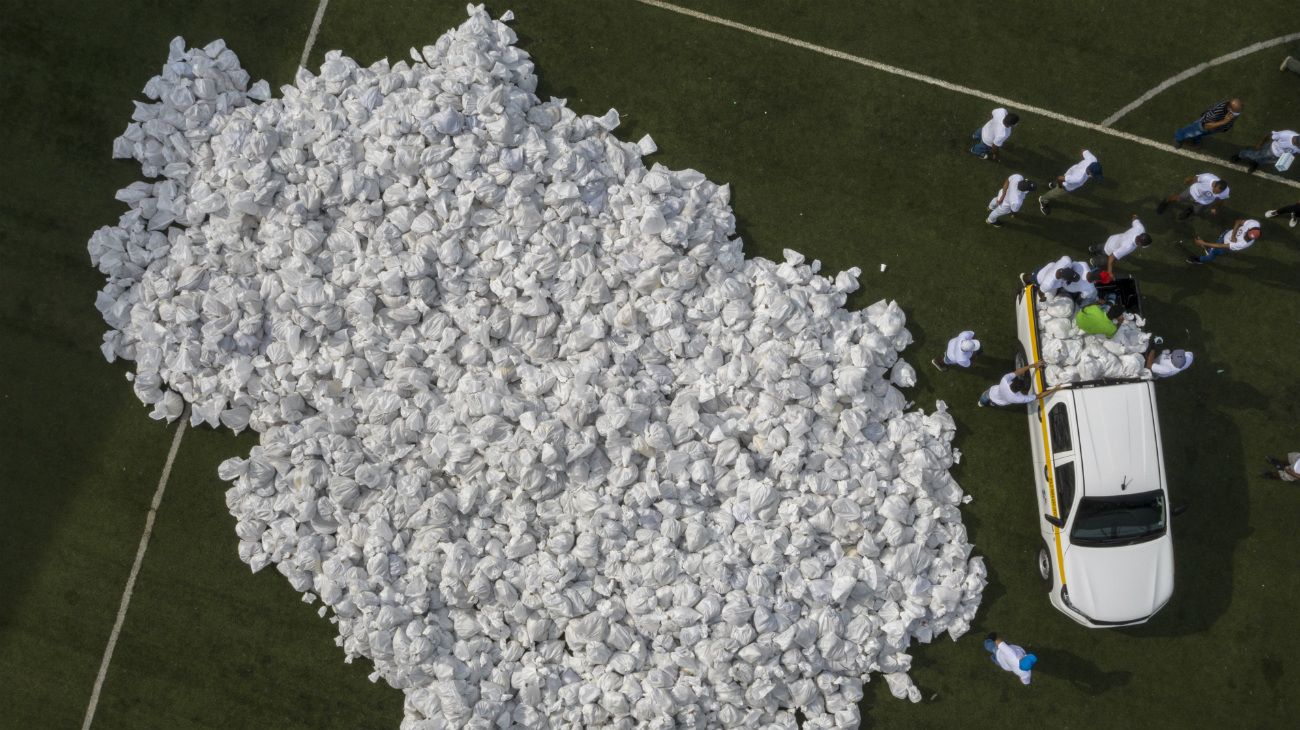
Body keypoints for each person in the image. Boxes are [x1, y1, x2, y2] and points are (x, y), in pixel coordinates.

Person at [1038, 149, 1102, 215]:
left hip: (1070, 172)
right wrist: (1060, 186)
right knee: (1054, 193)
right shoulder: (1078, 178)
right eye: (1094, 175)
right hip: (1065, 186)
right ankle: (1043, 200)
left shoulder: (1093, 160)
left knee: (1064, 178)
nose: (1094, 177)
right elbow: (1060, 178)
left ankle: (1053, 185)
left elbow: (1083, 151)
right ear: (1089, 172)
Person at [978, 362, 1061, 408]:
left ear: (1012, 383)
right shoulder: (1017, 398)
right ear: (1019, 390)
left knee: (983, 400)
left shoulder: (1005, 380)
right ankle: (990, 403)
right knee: (993, 402)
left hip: (991, 392)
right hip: (999, 402)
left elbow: (1018, 372)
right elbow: (1038, 396)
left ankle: (981, 403)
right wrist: (1055, 389)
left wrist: (1033, 365)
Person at [1173, 98, 1243, 148]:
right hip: (1203, 125)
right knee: (1187, 132)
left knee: (1203, 134)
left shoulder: (1233, 111)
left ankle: (1197, 137)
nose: (1236, 114)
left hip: (1216, 128)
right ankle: (1178, 138)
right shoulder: (1217, 112)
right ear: (1229, 108)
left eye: (1238, 112)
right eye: (1235, 112)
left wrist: (1225, 126)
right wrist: (1224, 122)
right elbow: (1206, 126)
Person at [1186, 218, 1261, 264]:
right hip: (1226, 234)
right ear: (1250, 229)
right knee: (1214, 245)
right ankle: (1208, 247)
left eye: (1249, 238)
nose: (1247, 237)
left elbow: (1222, 246)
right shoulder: (1254, 224)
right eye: (1247, 235)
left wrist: (1203, 243)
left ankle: (1199, 260)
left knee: (1211, 254)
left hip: (1224, 246)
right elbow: (1238, 221)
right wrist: (1233, 235)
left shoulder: (1243, 244)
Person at [1156, 173, 1229, 220]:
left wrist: (1215, 208)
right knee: (1178, 198)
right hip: (1193, 191)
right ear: (1214, 185)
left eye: (1218, 192)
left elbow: (1221, 200)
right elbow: (1195, 179)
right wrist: (1188, 181)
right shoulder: (1207, 177)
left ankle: (1189, 211)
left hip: (1203, 201)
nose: (1215, 193)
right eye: (1215, 191)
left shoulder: (1225, 192)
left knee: (1196, 211)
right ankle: (1166, 201)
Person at [1020, 255, 1091, 299]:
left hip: (1049, 267)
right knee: (1031, 277)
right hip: (1039, 277)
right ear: (1063, 278)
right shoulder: (1048, 284)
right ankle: (1023, 277)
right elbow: (1040, 291)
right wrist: (1042, 298)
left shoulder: (1067, 260)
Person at [1230, 130, 1299, 174]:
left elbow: (1296, 152)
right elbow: (1269, 135)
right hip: (1269, 149)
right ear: (1296, 141)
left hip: (1279, 157)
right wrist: (1260, 143)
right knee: (1252, 154)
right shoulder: (1285, 134)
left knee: (1264, 161)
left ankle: (1255, 163)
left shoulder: (1298, 144)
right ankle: (1239, 155)